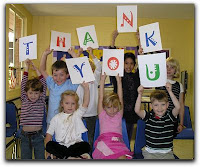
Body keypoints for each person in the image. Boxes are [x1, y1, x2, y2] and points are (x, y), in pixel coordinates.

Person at [45, 82, 91, 159]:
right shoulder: (56, 118)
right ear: (62, 104)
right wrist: (47, 151)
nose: (70, 106)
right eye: (67, 103)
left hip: (75, 145)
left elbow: (85, 104)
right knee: (50, 145)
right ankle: (69, 155)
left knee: (86, 146)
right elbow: (49, 135)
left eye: (73, 103)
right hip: (61, 146)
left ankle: (66, 155)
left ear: (76, 105)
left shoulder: (77, 114)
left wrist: (86, 89)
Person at [109, 30, 140, 143]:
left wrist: (139, 41)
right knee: (117, 135)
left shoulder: (136, 76)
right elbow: (112, 57)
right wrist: (113, 40)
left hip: (131, 112)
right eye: (126, 63)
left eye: (131, 63)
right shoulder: (117, 75)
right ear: (122, 63)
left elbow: (142, 60)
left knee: (128, 135)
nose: (129, 65)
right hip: (118, 110)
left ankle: (126, 153)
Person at [92, 73, 133, 159]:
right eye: (109, 107)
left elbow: (120, 98)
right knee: (106, 156)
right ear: (104, 107)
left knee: (122, 157)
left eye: (115, 107)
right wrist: (102, 80)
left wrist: (118, 81)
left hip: (117, 143)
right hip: (104, 141)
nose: (112, 110)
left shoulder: (118, 114)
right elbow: (100, 97)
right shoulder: (102, 114)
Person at [135, 83, 180, 159]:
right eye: (156, 105)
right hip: (150, 152)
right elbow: (137, 110)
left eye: (163, 104)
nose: (160, 108)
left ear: (167, 105)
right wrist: (140, 94)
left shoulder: (170, 116)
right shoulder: (149, 116)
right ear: (151, 106)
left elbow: (178, 107)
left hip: (167, 153)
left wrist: (170, 91)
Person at [39, 47, 79, 127]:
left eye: (61, 75)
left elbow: (81, 71)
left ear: (67, 75)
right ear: (52, 75)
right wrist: (45, 54)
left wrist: (74, 55)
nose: (58, 78)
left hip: (67, 122)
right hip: (51, 121)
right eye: (55, 75)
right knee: (50, 139)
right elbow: (42, 70)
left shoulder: (71, 84)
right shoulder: (51, 83)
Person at [20, 59, 47, 159]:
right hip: (25, 136)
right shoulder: (24, 99)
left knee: (40, 158)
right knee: (25, 159)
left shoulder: (41, 100)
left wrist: (36, 69)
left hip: (38, 136)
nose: (33, 96)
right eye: (31, 93)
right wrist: (26, 68)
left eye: (36, 93)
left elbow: (43, 82)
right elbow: (24, 83)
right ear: (26, 92)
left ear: (40, 93)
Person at [76, 47, 102, 149]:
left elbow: (99, 67)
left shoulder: (94, 79)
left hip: (92, 114)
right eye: (85, 68)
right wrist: (78, 54)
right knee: (79, 137)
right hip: (79, 113)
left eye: (90, 69)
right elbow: (73, 66)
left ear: (92, 70)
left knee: (91, 137)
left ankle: (90, 155)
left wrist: (91, 54)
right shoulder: (78, 80)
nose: (87, 71)